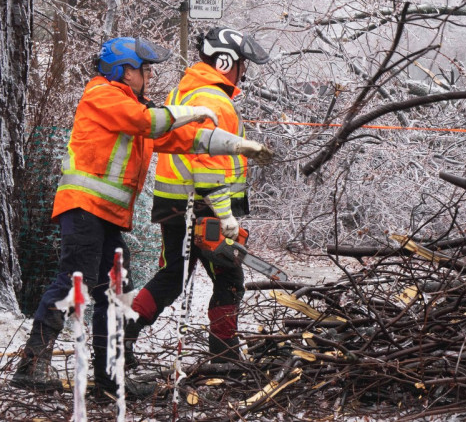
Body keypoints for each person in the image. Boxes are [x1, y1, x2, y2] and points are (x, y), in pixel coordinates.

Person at [11, 37, 272, 401]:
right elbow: (147, 122)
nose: (149, 76)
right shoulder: (102, 96)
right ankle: (32, 364)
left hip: (105, 215)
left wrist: (237, 145)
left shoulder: (132, 106)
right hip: (84, 208)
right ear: (123, 70)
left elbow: (182, 139)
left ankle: (108, 378)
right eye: (144, 69)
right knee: (78, 281)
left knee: (112, 290)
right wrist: (191, 112)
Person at [125, 27, 272, 367]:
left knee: (173, 274)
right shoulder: (211, 99)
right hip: (202, 204)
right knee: (229, 276)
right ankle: (224, 353)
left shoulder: (188, 92)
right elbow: (207, 163)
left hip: (177, 202)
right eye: (241, 63)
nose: (243, 71)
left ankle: (123, 334)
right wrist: (225, 216)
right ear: (225, 61)